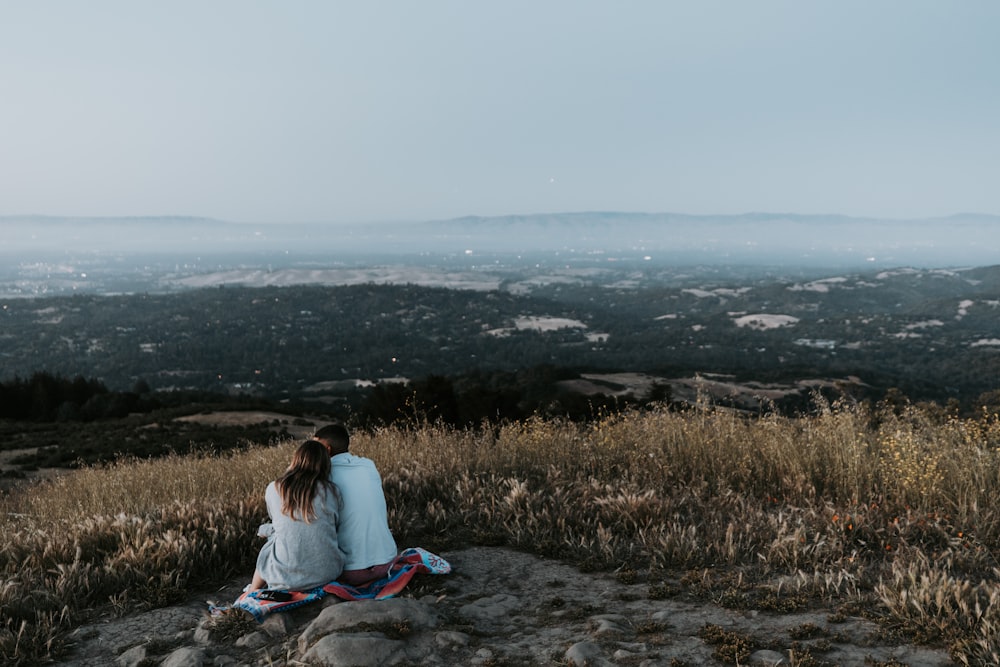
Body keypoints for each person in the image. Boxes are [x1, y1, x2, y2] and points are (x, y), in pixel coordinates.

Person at [250, 439, 346, 592]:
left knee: (271, 542)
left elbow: (279, 523)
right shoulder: (333, 491)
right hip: (328, 573)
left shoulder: (275, 488)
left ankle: (252, 591)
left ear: (295, 459)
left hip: (285, 579)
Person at [314, 423, 398, 586]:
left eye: (316, 446)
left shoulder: (323, 476)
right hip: (387, 561)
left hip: (350, 571)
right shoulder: (368, 465)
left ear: (328, 449)